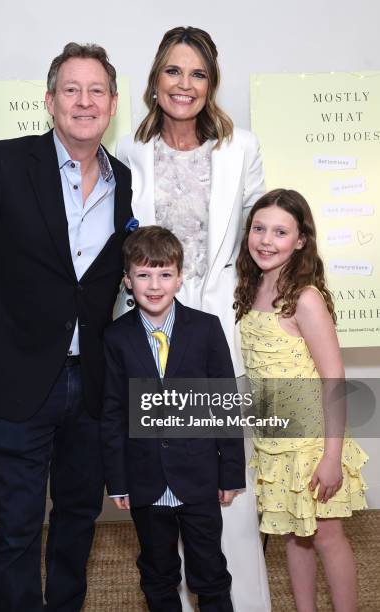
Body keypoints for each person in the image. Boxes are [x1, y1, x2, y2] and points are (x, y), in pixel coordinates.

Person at [0, 42, 132, 612]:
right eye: (71, 89)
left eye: (97, 90)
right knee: (19, 528)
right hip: (16, 377)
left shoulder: (123, 182)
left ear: (113, 104)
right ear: (50, 101)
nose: (84, 101)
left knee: (77, 522)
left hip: (92, 383)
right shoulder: (0, 163)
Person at [115, 26, 270, 612]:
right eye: (174, 72)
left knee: (227, 464)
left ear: (212, 84)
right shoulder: (131, 150)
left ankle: (240, 599)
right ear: (156, 81)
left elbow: (260, 238)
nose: (185, 84)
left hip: (217, 322)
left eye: (198, 74)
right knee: (159, 459)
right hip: (150, 322)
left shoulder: (241, 148)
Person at [234, 188, 368, 612]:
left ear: (301, 240)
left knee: (326, 535)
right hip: (275, 441)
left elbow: (334, 380)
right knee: (293, 530)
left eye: (280, 231)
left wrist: (331, 457)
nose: (266, 240)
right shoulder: (249, 288)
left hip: (312, 442)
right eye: (259, 228)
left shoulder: (305, 299)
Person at [102, 225, 245, 611]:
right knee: (157, 572)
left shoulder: (205, 328)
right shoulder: (115, 338)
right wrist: (118, 480)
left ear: (179, 278)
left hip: (199, 478)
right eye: (143, 274)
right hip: (144, 480)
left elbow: (225, 404)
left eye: (165, 274)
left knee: (210, 571)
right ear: (128, 281)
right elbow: (112, 412)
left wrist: (231, 471)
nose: (154, 284)